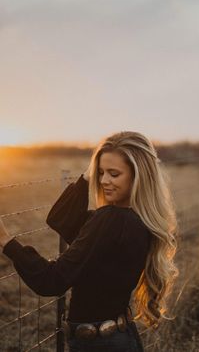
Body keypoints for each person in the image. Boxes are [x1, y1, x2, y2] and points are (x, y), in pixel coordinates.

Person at [0, 131, 178, 352]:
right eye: (100, 172)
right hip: (119, 338)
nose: (103, 181)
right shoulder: (138, 220)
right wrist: (86, 176)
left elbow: (51, 281)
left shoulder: (111, 219)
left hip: (99, 345)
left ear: (138, 176)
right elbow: (61, 220)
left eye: (114, 174)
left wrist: (6, 241)